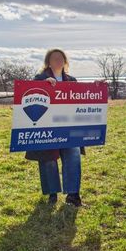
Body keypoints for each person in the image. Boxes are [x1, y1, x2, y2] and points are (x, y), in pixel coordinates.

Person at [32, 48, 84, 207]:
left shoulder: (72, 80)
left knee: (73, 157)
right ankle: (52, 194)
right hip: (47, 128)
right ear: (48, 61)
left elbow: (82, 99)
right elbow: (31, 92)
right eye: (54, 58)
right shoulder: (40, 78)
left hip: (69, 128)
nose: (58, 61)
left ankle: (73, 195)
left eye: (61, 58)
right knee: (49, 160)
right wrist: (44, 84)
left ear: (65, 61)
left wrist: (96, 87)